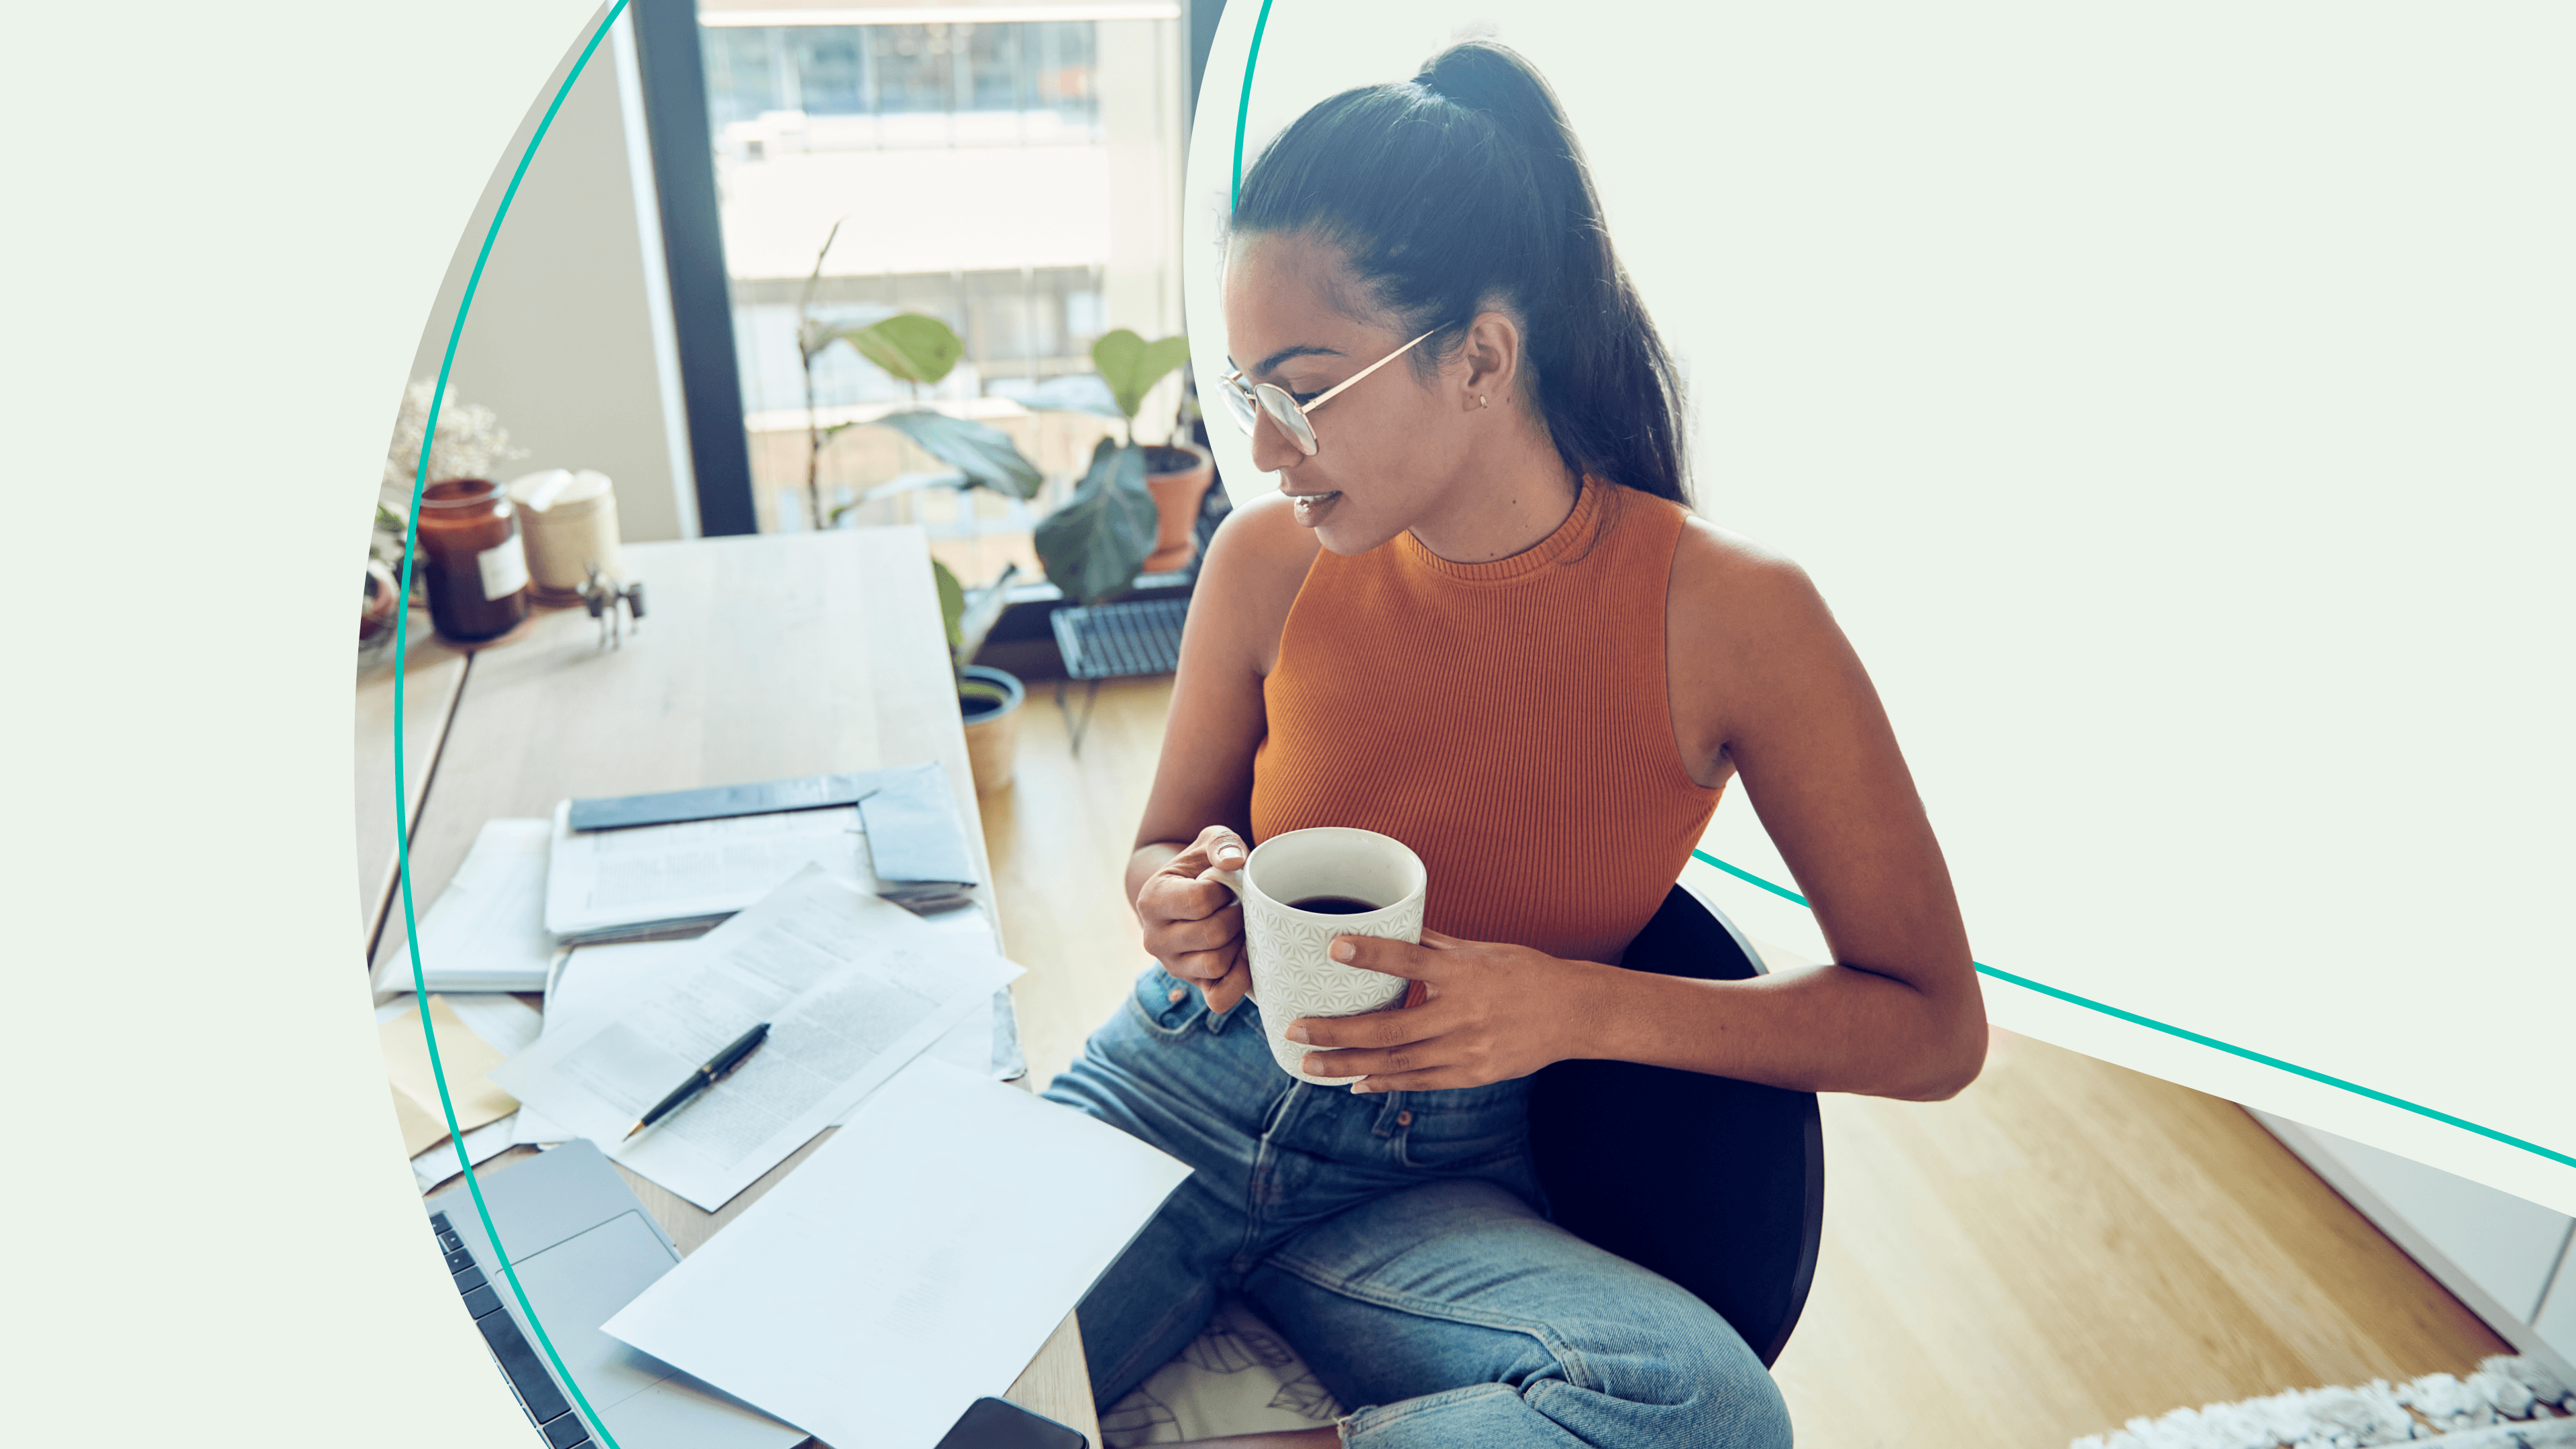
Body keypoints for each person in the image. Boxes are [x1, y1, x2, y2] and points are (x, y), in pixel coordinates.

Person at [1040, 38, 1984, 1449]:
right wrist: (1175, 896)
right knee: (851, 1379)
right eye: (1249, 396)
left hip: (1424, 1183)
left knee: (1708, 1411)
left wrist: (1574, 1008)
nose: (1271, 450)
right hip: (1169, 1093)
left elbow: (1932, 1025)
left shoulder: (1733, 618)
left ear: (1480, 355)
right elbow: (1161, 847)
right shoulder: (1263, 563)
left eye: (1303, 388)